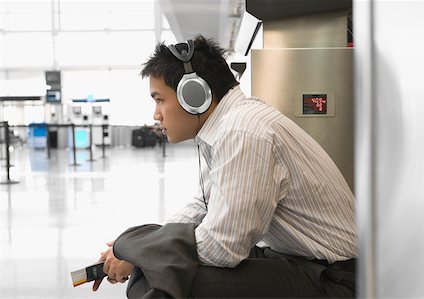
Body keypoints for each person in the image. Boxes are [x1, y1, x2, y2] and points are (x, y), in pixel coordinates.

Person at [94, 34, 357, 298]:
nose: (155, 114)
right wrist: (142, 249)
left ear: (193, 95)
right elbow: (203, 205)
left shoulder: (242, 131)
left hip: (335, 279)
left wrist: (143, 254)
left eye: (159, 99)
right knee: (157, 270)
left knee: (163, 285)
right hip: (302, 262)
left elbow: (222, 247)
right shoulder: (230, 125)